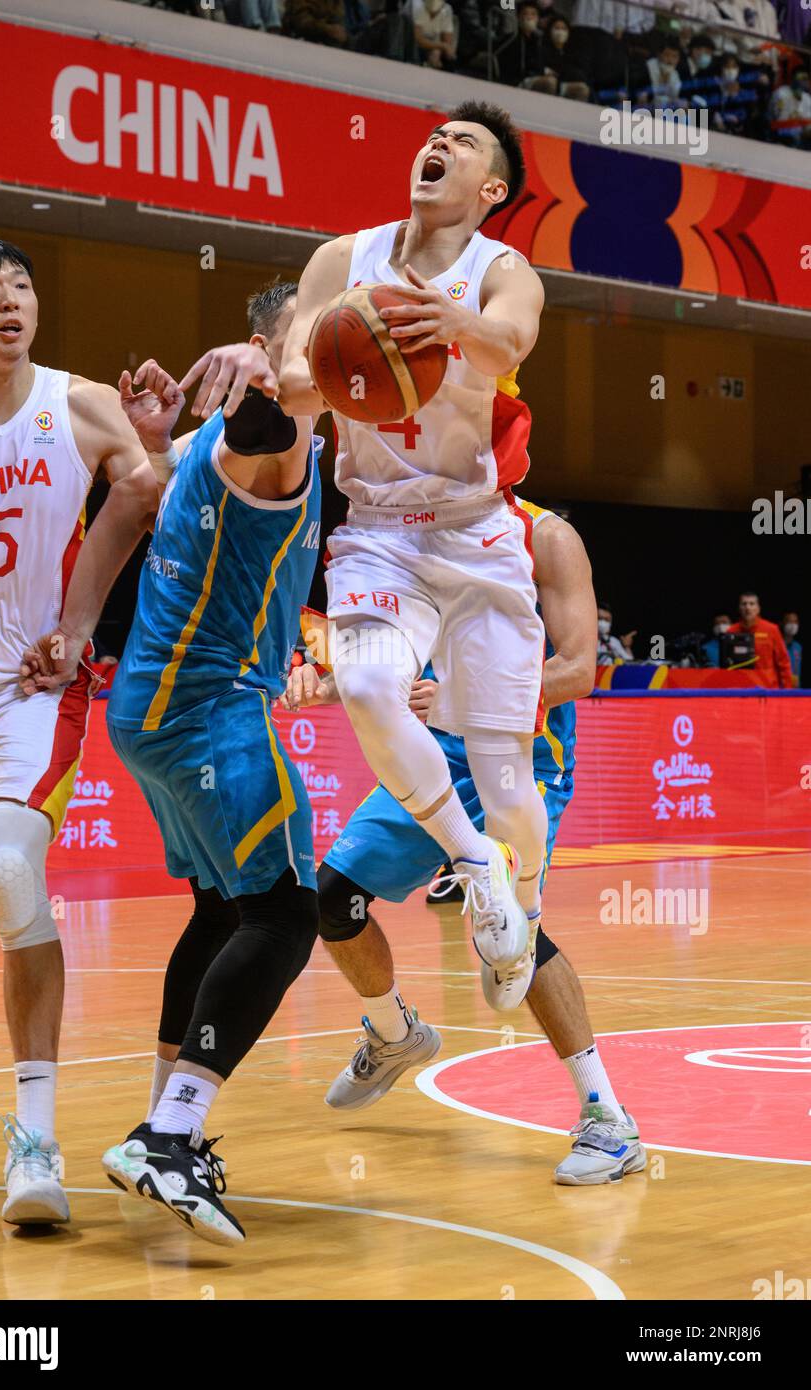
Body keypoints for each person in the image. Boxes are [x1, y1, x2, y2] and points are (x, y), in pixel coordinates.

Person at [0, 237, 158, 1226]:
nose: (10, 300)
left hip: (26, 684)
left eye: (22, 286)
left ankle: (35, 1142)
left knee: (12, 867)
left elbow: (147, 490)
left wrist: (81, 623)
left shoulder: (83, 405)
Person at [285, 498, 646, 1185]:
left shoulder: (549, 537)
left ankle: (608, 1119)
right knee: (334, 899)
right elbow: (392, 667)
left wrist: (457, 698)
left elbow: (577, 673)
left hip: (521, 757)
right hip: (439, 755)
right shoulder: (410, 529)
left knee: (514, 931)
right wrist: (325, 680)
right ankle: (395, 1035)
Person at [275, 100, 548, 1002]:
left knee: (509, 780)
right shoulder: (340, 261)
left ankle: (527, 900)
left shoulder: (502, 270)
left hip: (477, 533)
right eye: (433, 139)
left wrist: (448, 323)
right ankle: (476, 870)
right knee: (362, 682)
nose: (438, 147)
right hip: (380, 530)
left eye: (461, 144)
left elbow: (510, 338)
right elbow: (289, 382)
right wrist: (358, 348)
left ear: (491, 187)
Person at [73, 282, 322, 1245]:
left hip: (146, 707)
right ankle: (171, 1137)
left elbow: (169, 473)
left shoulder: (199, 451)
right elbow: (265, 416)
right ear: (273, 345)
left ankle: (160, 1126)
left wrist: (151, 436)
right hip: (208, 704)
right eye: (324, 327)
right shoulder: (275, 431)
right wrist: (260, 373)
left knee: (220, 913)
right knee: (287, 912)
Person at [727, 592, 792, 688]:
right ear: (739, 609)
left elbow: (783, 662)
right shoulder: (731, 631)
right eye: (744, 604)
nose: (748, 608)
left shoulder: (771, 630)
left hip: (768, 689)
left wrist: (787, 691)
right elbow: (726, 665)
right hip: (740, 689)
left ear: (758, 609)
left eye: (752, 604)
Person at [412, 0, 458, 69]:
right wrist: (442, 46)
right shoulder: (417, 5)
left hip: (434, 41)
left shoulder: (447, 10)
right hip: (413, 42)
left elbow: (447, 43)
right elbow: (419, 39)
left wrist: (437, 51)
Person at [781, 611, 802, 686]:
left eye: (795, 622)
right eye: (789, 621)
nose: (793, 625)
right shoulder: (777, 645)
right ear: (783, 623)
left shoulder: (798, 647)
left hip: (796, 691)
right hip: (780, 691)